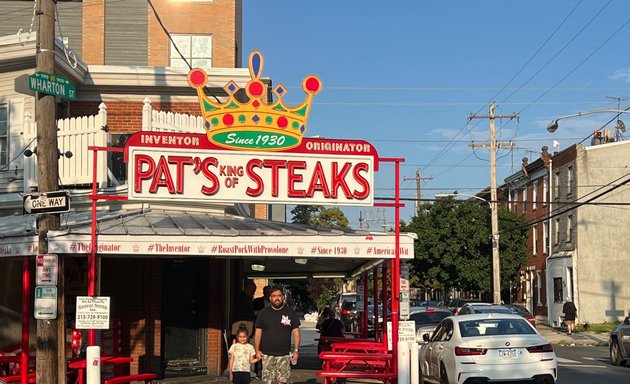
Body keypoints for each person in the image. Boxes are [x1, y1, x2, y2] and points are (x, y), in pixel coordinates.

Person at [254, 287, 301, 384]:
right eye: (274, 296)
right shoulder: (263, 313)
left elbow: (296, 333)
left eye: (279, 296)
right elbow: (258, 333)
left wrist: (296, 351)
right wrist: (257, 350)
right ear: (270, 298)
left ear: (283, 297)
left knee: (282, 381)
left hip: (284, 354)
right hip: (267, 354)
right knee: (268, 382)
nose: (277, 298)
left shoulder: (290, 313)